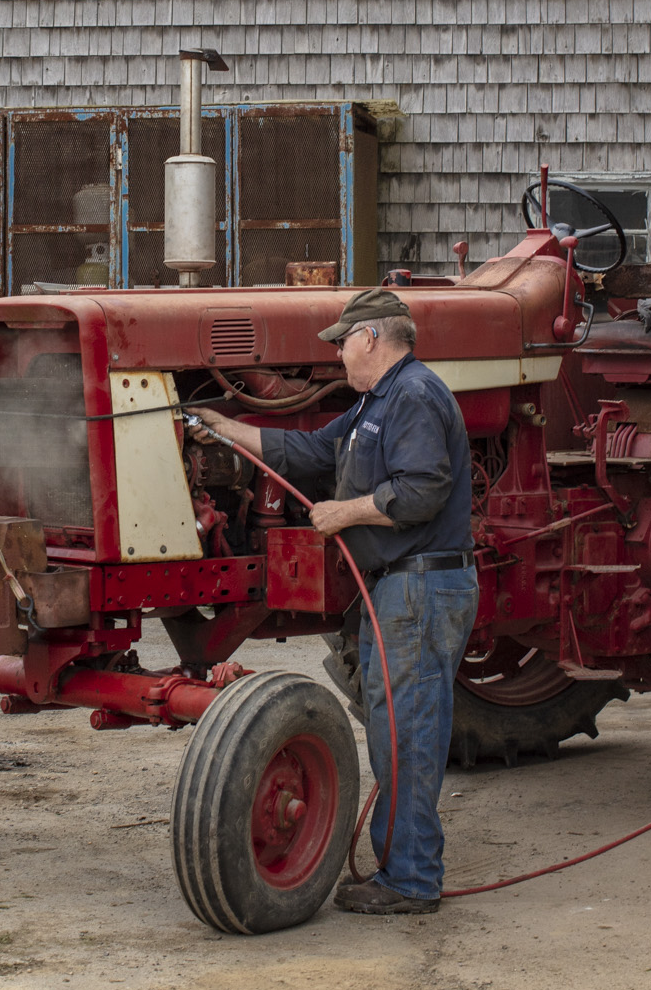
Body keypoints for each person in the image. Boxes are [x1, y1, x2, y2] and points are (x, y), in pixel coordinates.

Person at [185, 287, 476, 915]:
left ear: (371, 337)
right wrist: (222, 429)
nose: (339, 353)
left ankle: (413, 881)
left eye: (343, 341)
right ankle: (403, 869)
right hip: (398, 588)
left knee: (408, 736)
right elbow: (313, 451)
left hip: (420, 585)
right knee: (394, 730)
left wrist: (344, 511)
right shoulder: (377, 402)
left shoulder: (416, 396)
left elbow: (422, 490)